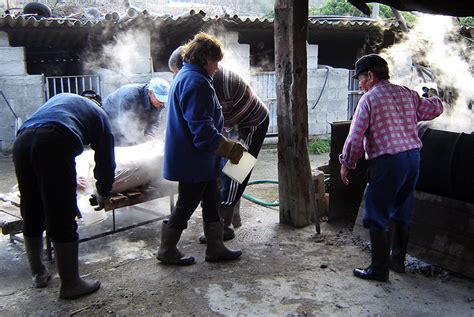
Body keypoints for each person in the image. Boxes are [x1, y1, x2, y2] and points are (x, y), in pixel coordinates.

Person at [339, 54, 443, 282]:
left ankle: (379, 269)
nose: (360, 84)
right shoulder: (407, 93)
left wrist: (346, 163)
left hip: (389, 162)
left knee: (376, 211)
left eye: (361, 79)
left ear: (371, 76)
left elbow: (355, 137)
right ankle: (398, 261)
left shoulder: (368, 100)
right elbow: (435, 109)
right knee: (402, 209)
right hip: (413, 159)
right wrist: (433, 95)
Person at [13, 93, 116, 299]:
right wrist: (104, 192)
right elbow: (106, 161)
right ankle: (70, 284)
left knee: (32, 208)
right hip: (54, 139)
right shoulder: (100, 115)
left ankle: (38, 274)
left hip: (22, 141)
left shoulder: (63, 101)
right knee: (61, 212)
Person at [158, 32, 244, 265]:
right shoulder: (195, 82)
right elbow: (202, 131)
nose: (217, 68)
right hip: (193, 160)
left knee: (211, 200)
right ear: (205, 58)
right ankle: (166, 250)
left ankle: (215, 248)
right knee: (187, 204)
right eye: (216, 61)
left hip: (200, 160)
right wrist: (230, 150)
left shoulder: (189, 76)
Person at [168, 46, 269, 243]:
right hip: (233, 120)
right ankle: (227, 219)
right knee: (223, 170)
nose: (175, 77)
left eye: (175, 72)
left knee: (237, 169)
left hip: (252, 122)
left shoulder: (209, 80)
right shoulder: (196, 78)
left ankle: (224, 225)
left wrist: (222, 147)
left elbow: (211, 123)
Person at [102, 78, 170, 146]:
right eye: (160, 101)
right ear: (150, 93)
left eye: (164, 102)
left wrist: (150, 136)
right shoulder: (130, 96)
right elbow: (125, 126)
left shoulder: (157, 103)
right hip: (110, 120)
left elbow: (154, 121)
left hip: (125, 123)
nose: (163, 105)